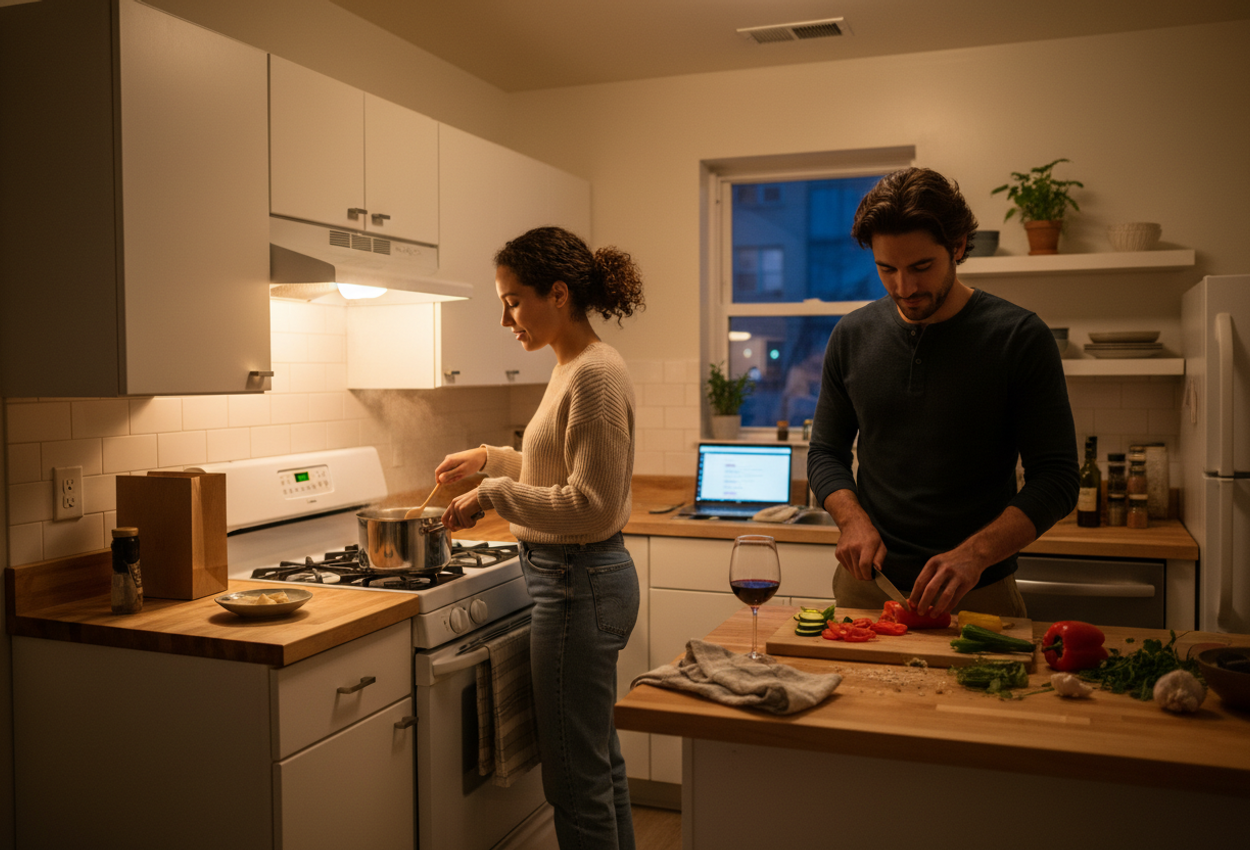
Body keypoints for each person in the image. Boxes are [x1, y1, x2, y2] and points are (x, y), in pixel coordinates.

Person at [436, 225, 645, 850]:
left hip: (578, 582)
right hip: (574, 579)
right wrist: (491, 459)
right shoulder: (572, 367)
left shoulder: (594, 377)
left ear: (558, 294)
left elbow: (591, 503)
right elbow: (555, 467)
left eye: (514, 300)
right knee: (595, 764)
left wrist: (493, 497)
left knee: (575, 781)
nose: (507, 319)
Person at [807, 167, 1079, 619]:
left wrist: (975, 554)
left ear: (957, 247)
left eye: (921, 267)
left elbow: (1057, 478)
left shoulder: (1018, 337)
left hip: (979, 590)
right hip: (867, 587)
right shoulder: (851, 335)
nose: (904, 288)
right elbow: (824, 453)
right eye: (886, 269)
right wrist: (852, 521)